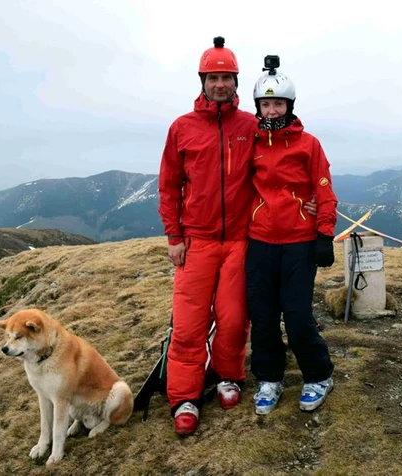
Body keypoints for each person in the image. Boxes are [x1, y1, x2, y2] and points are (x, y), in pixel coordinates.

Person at [158, 36, 256, 436]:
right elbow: (169, 186)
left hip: (240, 241)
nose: (220, 84)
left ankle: (229, 375)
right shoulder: (182, 127)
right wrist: (174, 236)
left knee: (233, 320)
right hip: (196, 241)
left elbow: (279, 166)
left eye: (226, 77)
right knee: (188, 325)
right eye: (213, 77)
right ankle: (184, 396)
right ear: (202, 80)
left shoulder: (251, 125)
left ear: (236, 81)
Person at [245, 60, 337, 415]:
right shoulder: (250, 143)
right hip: (260, 240)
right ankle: (270, 377)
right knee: (263, 315)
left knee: (297, 314)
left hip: (299, 240)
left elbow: (324, 188)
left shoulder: (308, 144)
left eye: (279, 104)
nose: (272, 110)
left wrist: (324, 233)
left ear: (290, 106)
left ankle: (318, 374)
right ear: (258, 107)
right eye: (266, 104)